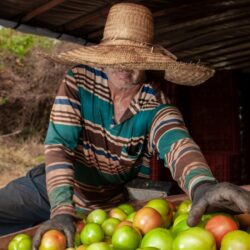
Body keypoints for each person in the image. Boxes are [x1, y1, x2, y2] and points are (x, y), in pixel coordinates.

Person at [0, 2, 249, 249]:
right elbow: (59, 147)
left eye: (135, 59)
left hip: (105, 206)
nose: (124, 65)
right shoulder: (78, 82)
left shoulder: (156, 105)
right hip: (51, 188)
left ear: (150, 63)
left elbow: (177, 144)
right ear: (104, 56)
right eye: (117, 56)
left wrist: (202, 185)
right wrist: (62, 208)